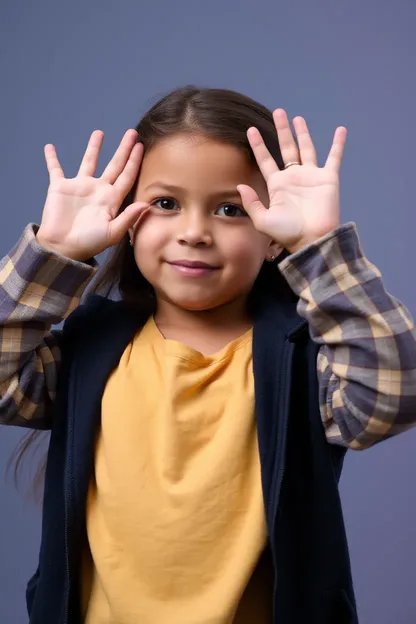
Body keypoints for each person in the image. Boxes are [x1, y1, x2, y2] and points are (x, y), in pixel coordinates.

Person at [1, 86, 416, 624]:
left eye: (229, 209)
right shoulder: (91, 350)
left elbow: (394, 397)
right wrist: (53, 254)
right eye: (166, 204)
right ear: (127, 217)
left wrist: (320, 246)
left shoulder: (301, 360)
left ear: (271, 234)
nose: (194, 233)